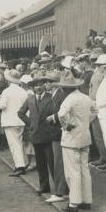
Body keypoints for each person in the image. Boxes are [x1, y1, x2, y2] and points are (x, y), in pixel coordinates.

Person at [47, 72, 97, 212]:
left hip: (71, 139)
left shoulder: (69, 99)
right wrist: (86, 122)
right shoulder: (85, 97)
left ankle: (74, 202)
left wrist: (66, 125)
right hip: (85, 137)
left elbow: (62, 114)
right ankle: (87, 200)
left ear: (65, 88)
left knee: (72, 171)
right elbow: (95, 110)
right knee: (84, 169)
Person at [18, 76, 56, 196]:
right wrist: (31, 124)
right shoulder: (30, 100)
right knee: (40, 163)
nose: (38, 88)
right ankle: (44, 186)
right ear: (32, 88)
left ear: (45, 85)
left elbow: (57, 113)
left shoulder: (51, 98)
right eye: (35, 86)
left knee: (52, 162)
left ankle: (59, 189)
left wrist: (51, 124)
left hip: (49, 134)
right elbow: (20, 113)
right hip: (36, 134)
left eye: (40, 85)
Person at [0, 69, 29, 176]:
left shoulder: (6, 91)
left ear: (9, 81)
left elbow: (1, 106)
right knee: (19, 143)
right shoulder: (23, 92)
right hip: (21, 121)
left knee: (14, 144)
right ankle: (23, 163)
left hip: (10, 121)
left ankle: (20, 166)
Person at [44, 71, 69, 203]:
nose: (46, 84)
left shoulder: (60, 95)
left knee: (59, 163)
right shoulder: (54, 95)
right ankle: (61, 190)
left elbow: (61, 114)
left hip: (58, 133)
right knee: (57, 162)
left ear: (54, 84)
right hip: (54, 133)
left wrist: (53, 118)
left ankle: (60, 192)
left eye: (48, 82)